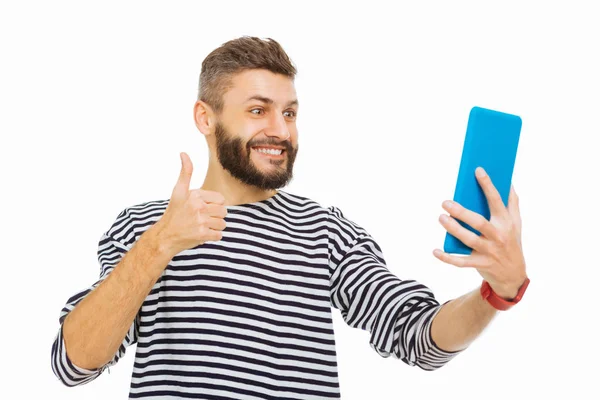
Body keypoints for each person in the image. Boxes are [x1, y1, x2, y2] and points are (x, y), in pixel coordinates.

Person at [51, 36, 529, 399]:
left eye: (291, 113)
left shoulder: (325, 231)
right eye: (258, 110)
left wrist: (497, 292)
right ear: (205, 117)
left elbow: (416, 338)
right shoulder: (143, 229)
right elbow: (75, 363)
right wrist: (158, 247)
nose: (280, 131)